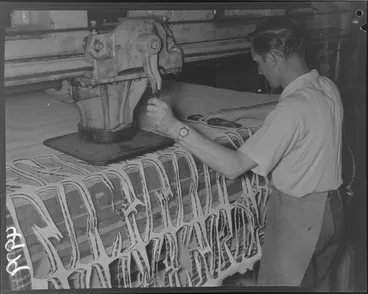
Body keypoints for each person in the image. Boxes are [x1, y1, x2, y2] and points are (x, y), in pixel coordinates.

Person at [146, 16, 344, 290]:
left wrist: (174, 128)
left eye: (259, 63)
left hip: (302, 222)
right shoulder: (325, 88)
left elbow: (234, 166)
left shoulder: (293, 109)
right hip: (331, 213)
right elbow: (291, 108)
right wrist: (238, 112)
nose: (260, 72)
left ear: (273, 58)